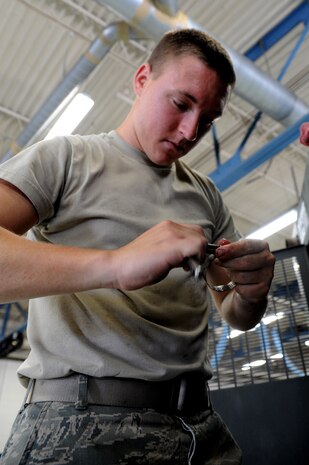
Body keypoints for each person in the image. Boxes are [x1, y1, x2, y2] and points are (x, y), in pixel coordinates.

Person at [0, 29, 275, 464]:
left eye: (207, 120)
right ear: (142, 78)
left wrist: (253, 293)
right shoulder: (66, 160)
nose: (190, 132)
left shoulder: (205, 196)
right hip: (79, 423)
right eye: (181, 104)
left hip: (197, 427)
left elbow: (234, 313)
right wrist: (115, 265)